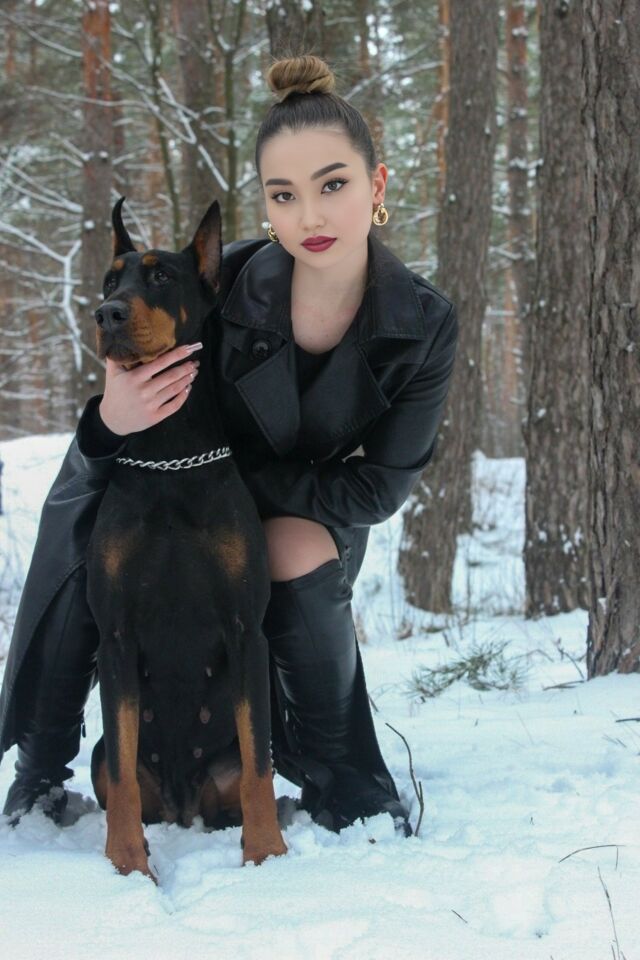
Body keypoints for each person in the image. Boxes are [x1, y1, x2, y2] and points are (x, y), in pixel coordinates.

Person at [0, 55, 458, 834]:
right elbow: (140, 393)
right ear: (267, 206)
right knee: (95, 525)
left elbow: (377, 489)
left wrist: (241, 491)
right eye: (284, 194)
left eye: (333, 184)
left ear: (377, 185)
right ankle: (41, 767)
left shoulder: (422, 324)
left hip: (307, 511)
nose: (309, 214)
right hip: (175, 491)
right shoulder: (225, 282)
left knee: (287, 545)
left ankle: (343, 777)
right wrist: (110, 417)